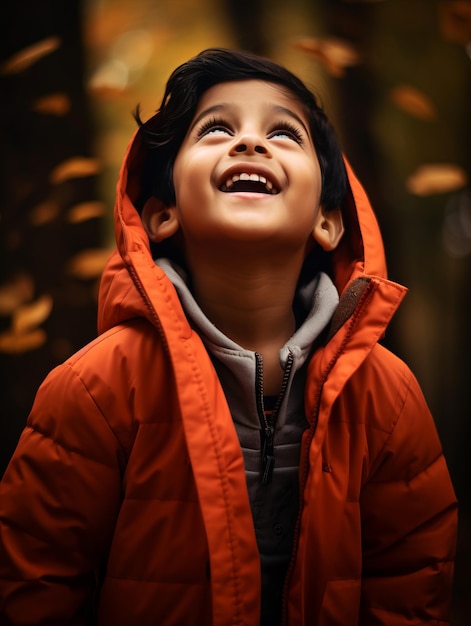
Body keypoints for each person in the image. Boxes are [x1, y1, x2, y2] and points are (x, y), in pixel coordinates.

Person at [0, 48, 458, 626]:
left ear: (328, 221)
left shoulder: (387, 398)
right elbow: (35, 579)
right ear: (163, 214)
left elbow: (411, 581)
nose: (249, 142)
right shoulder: (97, 387)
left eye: (284, 133)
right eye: (217, 128)